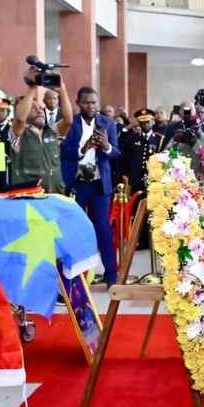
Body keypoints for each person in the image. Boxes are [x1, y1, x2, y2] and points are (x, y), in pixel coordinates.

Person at [60, 86, 120, 287]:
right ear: (78, 103)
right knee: (74, 230)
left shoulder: (108, 123)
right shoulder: (71, 123)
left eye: (94, 102)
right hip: (76, 184)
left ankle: (112, 277)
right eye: (86, 102)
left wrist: (106, 146)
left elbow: (116, 153)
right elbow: (64, 152)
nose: (91, 106)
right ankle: (73, 279)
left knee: (103, 230)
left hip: (99, 187)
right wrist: (83, 149)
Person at [8, 70, 73, 192]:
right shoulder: (17, 134)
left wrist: (62, 90)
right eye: (33, 109)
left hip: (56, 192)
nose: (39, 111)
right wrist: (32, 87)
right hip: (30, 195)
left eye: (40, 108)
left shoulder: (52, 130)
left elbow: (68, 120)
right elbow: (21, 118)